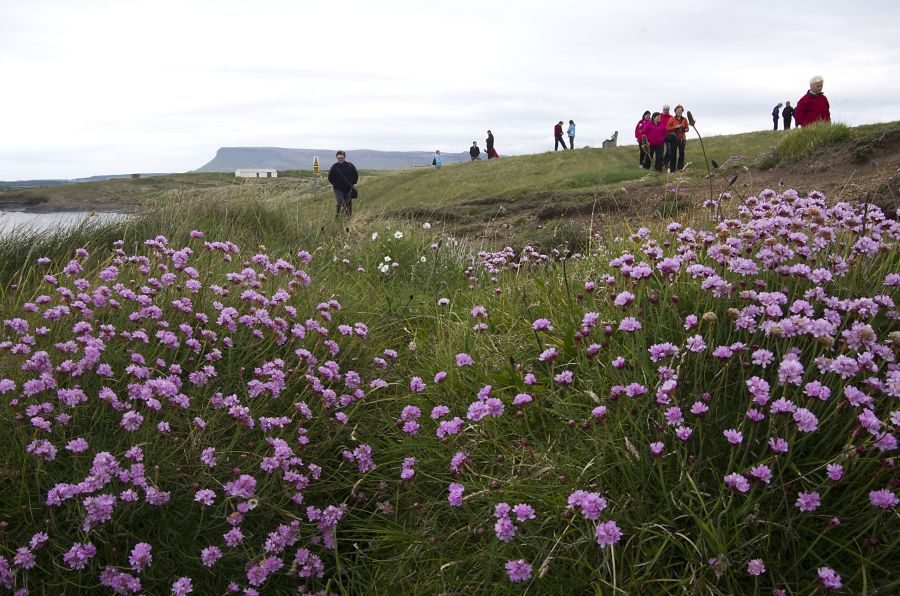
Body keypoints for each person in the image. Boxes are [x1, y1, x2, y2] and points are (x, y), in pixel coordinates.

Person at [327, 150, 358, 218]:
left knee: (348, 203)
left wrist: (352, 183)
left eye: (342, 158)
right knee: (340, 201)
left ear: (345, 157)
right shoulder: (334, 167)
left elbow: (355, 175)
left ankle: (348, 218)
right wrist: (335, 184)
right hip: (338, 188)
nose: (340, 159)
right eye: (339, 158)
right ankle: (337, 216)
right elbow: (330, 177)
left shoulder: (350, 165)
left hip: (348, 188)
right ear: (336, 158)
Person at [665, 104, 690, 173]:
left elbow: (687, 128)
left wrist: (684, 129)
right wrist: (676, 127)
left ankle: (680, 168)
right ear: (675, 111)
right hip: (674, 139)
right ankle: (672, 170)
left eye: (680, 110)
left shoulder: (684, 119)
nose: (679, 111)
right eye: (678, 110)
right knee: (673, 154)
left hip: (682, 139)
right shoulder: (672, 119)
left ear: (682, 111)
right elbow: (667, 129)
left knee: (681, 153)